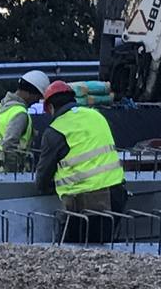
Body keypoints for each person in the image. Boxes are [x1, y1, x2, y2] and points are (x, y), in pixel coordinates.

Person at [35, 79, 127, 243]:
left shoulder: (56, 130)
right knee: (105, 254)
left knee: (74, 254)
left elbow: (43, 177)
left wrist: (46, 187)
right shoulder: (96, 116)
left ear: (50, 107)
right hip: (116, 194)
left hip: (85, 203)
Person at [0, 69, 50, 172]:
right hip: (12, 173)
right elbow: (9, 145)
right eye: (38, 97)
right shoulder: (20, 114)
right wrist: (13, 174)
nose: (37, 101)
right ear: (30, 94)